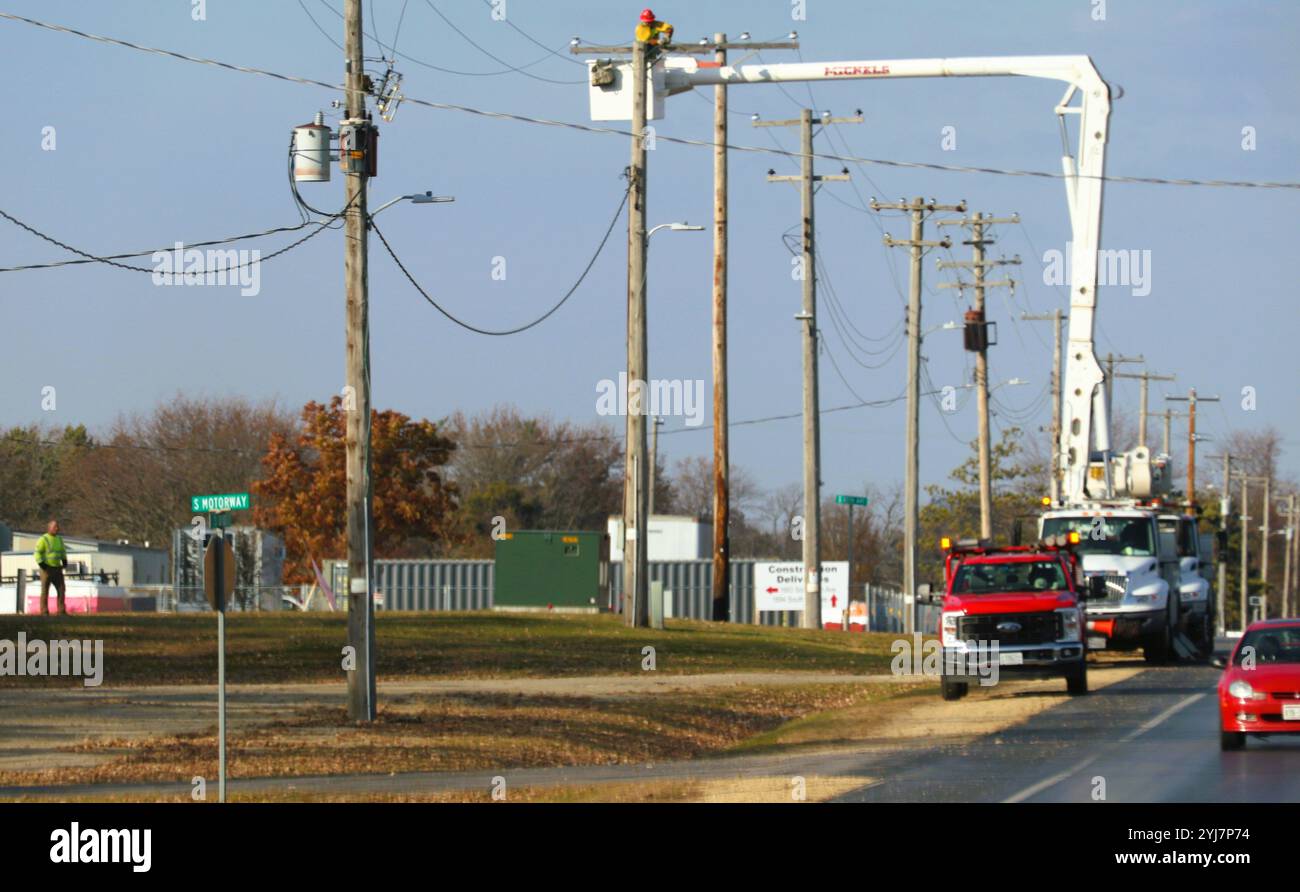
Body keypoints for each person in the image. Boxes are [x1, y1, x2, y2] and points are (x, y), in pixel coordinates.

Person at [34, 519, 69, 615]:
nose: (57, 528)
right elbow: (37, 554)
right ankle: (44, 611)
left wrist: (64, 561)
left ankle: (61, 611)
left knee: (61, 590)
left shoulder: (59, 539)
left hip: (57, 568)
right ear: (49, 528)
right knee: (45, 591)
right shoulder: (43, 539)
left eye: (57, 526)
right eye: (55, 527)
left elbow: (62, 552)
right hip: (46, 569)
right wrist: (42, 565)